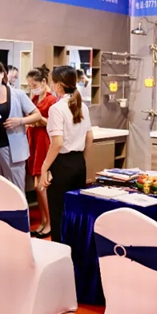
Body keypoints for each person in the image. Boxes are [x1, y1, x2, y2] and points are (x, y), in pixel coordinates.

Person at [39, 66, 92, 243]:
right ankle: (75, 251)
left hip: (62, 164)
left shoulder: (57, 109)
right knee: (75, 212)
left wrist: (44, 167)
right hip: (78, 162)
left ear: (59, 85)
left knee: (59, 213)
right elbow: (89, 137)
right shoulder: (83, 106)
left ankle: (60, 251)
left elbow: (57, 143)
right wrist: (81, 160)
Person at [0, 60, 42, 192]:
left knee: (16, 191)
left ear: (2, 74)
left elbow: (37, 115)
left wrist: (20, 121)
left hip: (13, 150)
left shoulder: (18, 94)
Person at [26, 65, 57, 239]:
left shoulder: (52, 100)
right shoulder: (34, 98)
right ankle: (44, 220)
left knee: (42, 185)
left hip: (44, 141)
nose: (33, 88)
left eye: (34, 85)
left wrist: (39, 120)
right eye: (30, 86)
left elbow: (51, 123)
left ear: (43, 82)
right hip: (34, 140)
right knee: (36, 186)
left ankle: (50, 222)